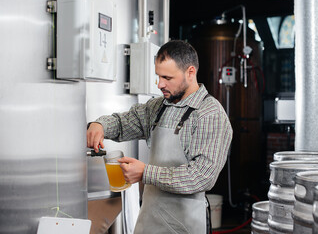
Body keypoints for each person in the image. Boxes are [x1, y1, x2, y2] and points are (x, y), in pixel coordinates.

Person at [87, 40, 233, 234]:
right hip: (149, 223)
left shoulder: (210, 114)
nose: (160, 84)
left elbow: (201, 177)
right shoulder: (157, 107)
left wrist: (145, 173)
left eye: (167, 77)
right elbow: (124, 123)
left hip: (185, 227)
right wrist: (100, 125)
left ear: (190, 73)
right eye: (158, 76)